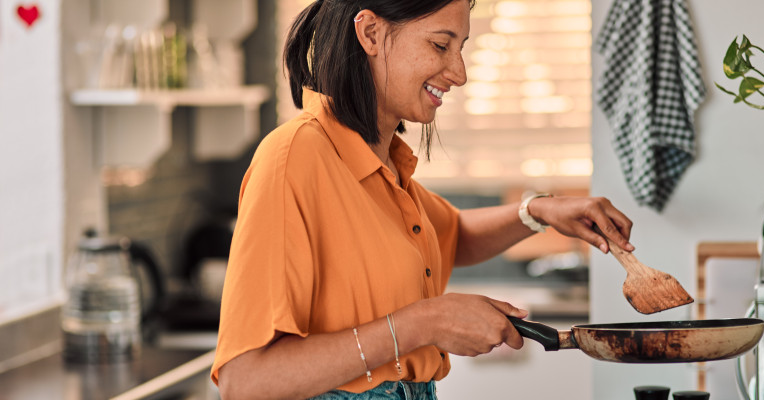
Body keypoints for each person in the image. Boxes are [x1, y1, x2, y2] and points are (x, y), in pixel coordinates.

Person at [211, 0, 634, 398]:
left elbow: (453, 234)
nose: (459, 72)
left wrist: (539, 212)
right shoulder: (295, 159)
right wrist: (425, 322)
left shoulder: (383, 161)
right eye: (440, 45)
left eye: (461, 48)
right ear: (371, 34)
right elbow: (244, 379)